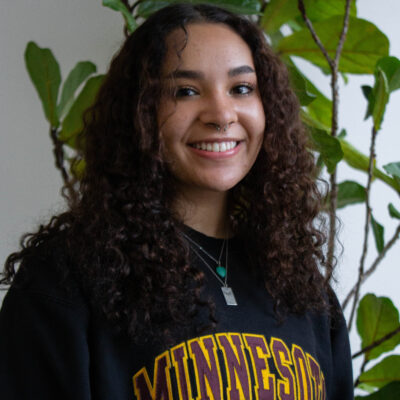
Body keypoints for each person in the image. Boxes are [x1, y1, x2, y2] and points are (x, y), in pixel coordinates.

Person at [0, 3, 354, 399]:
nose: (222, 114)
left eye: (241, 89)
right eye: (185, 91)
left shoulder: (303, 290)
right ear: (140, 113)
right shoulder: (66, 281)